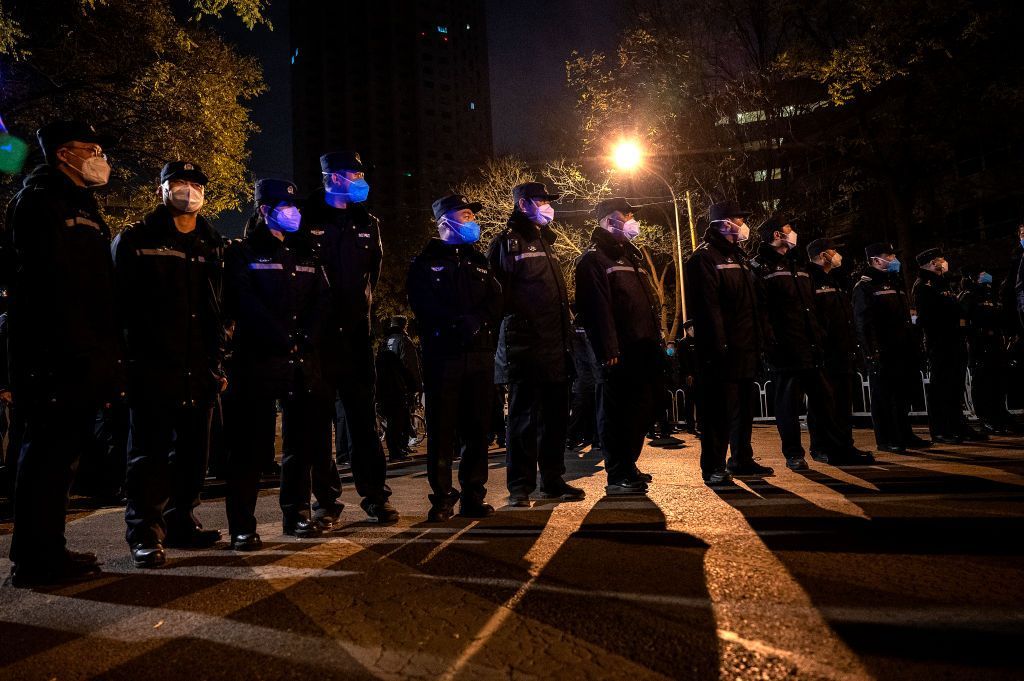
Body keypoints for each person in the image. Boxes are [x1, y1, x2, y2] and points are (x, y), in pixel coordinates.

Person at [3, 120, 127, 586]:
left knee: (62, 458)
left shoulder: (82, 205)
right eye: (90, 149)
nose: (100, 158)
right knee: (45, 456)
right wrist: (73, 349)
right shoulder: (38, 201)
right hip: (53, 355)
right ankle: (35, 559)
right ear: (63, 154)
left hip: (82, 353)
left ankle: (49, 548)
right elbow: (45, 285)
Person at [114, 161, 227, 568]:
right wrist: (124, 365)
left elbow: (219, 309)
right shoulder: (136, 239)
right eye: (179, 182)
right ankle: (145, 532)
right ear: (161, 189)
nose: (188, 190)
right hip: (153, 366)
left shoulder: (212, 244)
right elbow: (117, 306)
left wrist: (217, 363)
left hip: (200, 368)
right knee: (150, 455)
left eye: (196, 183)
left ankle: (183, 521)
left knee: (194, 453)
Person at [222, 179, 333, 549]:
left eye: (295, 206)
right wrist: (281, 336)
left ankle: (296, 514)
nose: (295, 212)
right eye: (287, 206)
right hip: (258, 359)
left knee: (300, 444)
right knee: (251, 447)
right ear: (265, 210)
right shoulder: (243, 252)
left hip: (301, 360)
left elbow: (323, 300)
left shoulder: (306, 252)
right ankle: (242, 525)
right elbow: (243, 301)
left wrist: (307, 337)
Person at [301, 151, 397, 524]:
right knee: (317, 423)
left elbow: (372, 274)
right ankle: (325, 502)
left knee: (363, 422)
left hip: (356, 337)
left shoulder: (368, 223)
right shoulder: (305, 217)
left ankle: (375, 495)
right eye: (354, 175)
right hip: (318, 339)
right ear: (333, 178)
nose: (361, 181)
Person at [408, 194, 502, 521]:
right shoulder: (424, 263)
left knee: (477, 428)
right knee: (442, 430)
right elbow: (422, 304)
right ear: (445, 221)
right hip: (443, 355)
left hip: (478, 354)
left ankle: (474, 495)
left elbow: (496, 300)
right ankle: (442, 498)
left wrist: (477, 321)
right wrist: (454, 324)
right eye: (466, 216)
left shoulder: (480, 261)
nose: (472, 221)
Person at [488, 182, 583, 506]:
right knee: (523, 421)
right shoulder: (507, 242)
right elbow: (497, 298)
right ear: (523, 204)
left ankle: (552, 481)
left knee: (555, 420)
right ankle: (520, 487)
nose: (547, 206)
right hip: (524, 349)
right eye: (541, 200)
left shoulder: (546, 241)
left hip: (555, 347)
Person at [575, 198, 664, 495]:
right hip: (618, 354)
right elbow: (596, 310)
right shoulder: (593, 260)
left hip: (643, 350)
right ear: (606, 220)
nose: (630, 219)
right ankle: (618, 472)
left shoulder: (631, 256)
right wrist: (608, 349)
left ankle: (629, 463)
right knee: (616, 414)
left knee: (641, 410)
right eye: (624, 214)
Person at [750, 217, 852, 469]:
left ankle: (824, 447)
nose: (793, 233)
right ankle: (794, 454)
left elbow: (811, 305)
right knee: (788, 405)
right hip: (784, 347)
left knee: (823, 399)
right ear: (777, 235)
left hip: (810, 344)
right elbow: (761, 310)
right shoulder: (760, 267)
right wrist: (770, 342)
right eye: (789, 229)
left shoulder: (799, 264)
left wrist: (818, 334)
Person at [685, 200, 774, 485]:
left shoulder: (739, 257)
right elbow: (707, 309)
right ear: (723, 224)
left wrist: (761, 339)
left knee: (744, 411)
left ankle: (741, 460)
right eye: (739, 219)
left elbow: (754, 304)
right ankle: (713, 466)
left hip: (746, 347)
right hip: (721, 352)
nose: (743, 225)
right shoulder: (704, 258)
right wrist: (719, 346)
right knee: (718, 412)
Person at [852, 243, 931, 453]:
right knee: (883, 396)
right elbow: (863, 323)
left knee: (901, 394)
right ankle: (886, 439)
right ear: (876, 260)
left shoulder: (894, 282)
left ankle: (904, 433)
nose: (893, 259)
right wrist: (871, 353)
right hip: (882, 350)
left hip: (901, 348)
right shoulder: (865, 286)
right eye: (889, 255)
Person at [806, 238, 874, 463]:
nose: (837, 255)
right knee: (824, 403)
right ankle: (824, 447)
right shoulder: (810, 279)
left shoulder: (835, 279)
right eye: (833, 251)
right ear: (823, 255)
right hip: (825, 352)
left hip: (843, 350)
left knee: (843, 403)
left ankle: (844, 445)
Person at [912, 248, 984, 443]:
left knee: (955, 386)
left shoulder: (941, 282)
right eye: (940, 259)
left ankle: (957, 425)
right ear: (931, 263)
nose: (944, 262)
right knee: (941, 387)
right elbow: (928, 317)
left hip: (954, 340)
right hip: (940, 343)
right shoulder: (923, 285)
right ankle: (941, 430)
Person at [959, 266, 1015, 434]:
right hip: (980, 344)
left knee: (998, 381)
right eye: (982, 273)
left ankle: (1000, 414)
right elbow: (962, 321)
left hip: (996, 343)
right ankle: (987, 419)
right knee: (984, 383)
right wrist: (973, 335)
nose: (987, 276)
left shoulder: (991, 295)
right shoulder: (968, 296)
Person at [376, 315, 422, 461]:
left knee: (393, 420)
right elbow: (410, 365)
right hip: (400, 386)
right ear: (404, 325)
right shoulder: (404, 341)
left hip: (385, 386)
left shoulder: (384, 341)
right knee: (399, 419)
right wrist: (416, 386)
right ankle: (397, 451)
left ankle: (398, 448)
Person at [566, 321, 598, 451]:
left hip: (584, 370)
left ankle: (579, 436)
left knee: (584, 403)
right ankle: (581, 436)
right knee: (585, 403)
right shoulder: (579, 328)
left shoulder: (575, 328)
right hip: (586, 370)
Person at [678, 322, 701, 436]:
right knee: (690, 402)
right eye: (691, 328)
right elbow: (683, 360)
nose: (693, 330)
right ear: (687, 330)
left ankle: (701, 425)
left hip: (699, 376)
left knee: (700, 401)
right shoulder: (683, 343)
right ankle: (690, 426)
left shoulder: (698, 341)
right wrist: (688, 374)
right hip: (689, 376)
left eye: (694, 328)